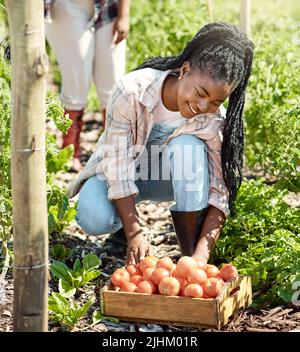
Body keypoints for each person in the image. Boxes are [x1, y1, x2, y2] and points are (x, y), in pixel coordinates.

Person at [67, 22, 254, 265]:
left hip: (166, 180)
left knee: (188, 146)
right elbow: (118, 165)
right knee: (92, 216)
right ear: (185, 70)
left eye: (215, 102)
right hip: (121, 173)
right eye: (200, 93)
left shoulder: (213, 119)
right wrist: (135, 233)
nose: (203, 107)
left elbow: (220, 190)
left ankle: (187, 250)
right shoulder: (132, 91)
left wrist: (199, 258)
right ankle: (123, 230)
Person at [44, 0, 130, 171]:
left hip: (108, 8)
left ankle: (112, 154)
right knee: (76, 81)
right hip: (67, 6)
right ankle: (69, 153)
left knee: (112, 85)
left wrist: (124, 15)